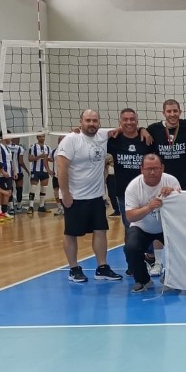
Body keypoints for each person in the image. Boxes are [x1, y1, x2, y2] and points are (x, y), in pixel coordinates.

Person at [55, 109, 122, 283]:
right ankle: (74, 268)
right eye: (88, 120)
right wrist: (65, 194)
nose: (91, 124)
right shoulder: (71, 139)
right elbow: (61, 167)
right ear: (81, 122)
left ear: (99, 122)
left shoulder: (102, 135)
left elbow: (124, 128)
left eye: (94, 120)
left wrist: (143, 129)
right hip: (75, 196)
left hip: (97, 196)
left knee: (100, 231)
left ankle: (102, 267)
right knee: (71, 233)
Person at [123, 154, 181, 293]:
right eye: (149, 169)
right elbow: (130, 216)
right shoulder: (133, 186)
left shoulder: (171, 181)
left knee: (182, 245)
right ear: (141, 169)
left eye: (156, 168)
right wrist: (149, 207)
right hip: (142, 226)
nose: (153, 172)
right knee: (131, 247)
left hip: (167, 227)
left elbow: (182, 207)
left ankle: (172, 277)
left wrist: (174, 193)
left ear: (162, 168)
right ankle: (142, 280)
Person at [106, 108, 154, 226]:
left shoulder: (146, 139)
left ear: (137, 121)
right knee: (130, 228)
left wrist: (142, 130)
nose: (129, 122)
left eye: (132, 119)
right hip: (124, 193)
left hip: (146, 192)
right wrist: (77, 132)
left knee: (150, 227)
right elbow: (93, 138)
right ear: (120, 122)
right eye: (125, 120)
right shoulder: (113, 141)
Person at [146, 99, 186, 188]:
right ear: (163, 113)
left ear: (180, 112)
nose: (172, 114)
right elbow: (134, 132)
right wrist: (141, 129)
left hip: (185, 182)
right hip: (162, 182)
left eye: (175, 111)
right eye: (169, 111)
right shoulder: (153, 129)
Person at [26, 132, 52, 213]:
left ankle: (41, 206)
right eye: (40, 137)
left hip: (44, 171)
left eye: (43, 136)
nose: (42, 138)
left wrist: (48, 158)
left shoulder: (48, 148)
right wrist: (39, 157)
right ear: (37, 137)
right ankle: (31, 207)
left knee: (44, 189)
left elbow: (50, 159)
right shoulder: (33, 147)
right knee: (33, 188)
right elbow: (29, 159)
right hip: (35, 170)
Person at [0, 132, 16, 214]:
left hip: (8, 174)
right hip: (1, 175)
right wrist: (3, 172)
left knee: (8, 192)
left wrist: (14, 171)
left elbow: (10, 162)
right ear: (4, 136)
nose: (11, 137)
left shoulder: (7, 148)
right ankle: (2, 212)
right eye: (9, 136)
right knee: (3, 193)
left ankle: (3, 212)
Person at [7, 137, 28, 212]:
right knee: (19, 188)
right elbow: (21, 162)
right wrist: (27, 170)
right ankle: (19, 206)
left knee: (10, 189)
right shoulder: (19, 148)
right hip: (18, 171)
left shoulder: (6, 147)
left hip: (9, 171)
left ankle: (11, 207)